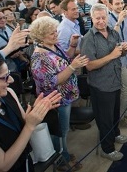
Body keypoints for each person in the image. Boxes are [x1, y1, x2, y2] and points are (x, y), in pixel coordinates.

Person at [30, 16, 89, 170]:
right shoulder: (40, 57)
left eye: (55, 31)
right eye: (51, 33)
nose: (55, 35)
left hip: (65, 97)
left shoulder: (53, 46)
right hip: (56, 101)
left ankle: (65, 154)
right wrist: (72, 67)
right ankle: (61, 160)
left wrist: (72, 45)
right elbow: (51, 82)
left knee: (63, 129)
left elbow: (66, 57)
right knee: (59, 131)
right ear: (40, 36)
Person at [0, 50, 61, 172]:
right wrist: (29, 125)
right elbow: (1, 166)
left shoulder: (8, 94)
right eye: (4, 77)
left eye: (9, 74)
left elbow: (24, 123)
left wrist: (36, 112)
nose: (11, 80)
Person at [80, 3, 127, 161]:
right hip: (101, 85)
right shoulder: (88, 39)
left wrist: (125, 49)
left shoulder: (113, 33)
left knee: (114, 113)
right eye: (97, 18)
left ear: (108, 17)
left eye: (103, 17)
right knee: (105, 119)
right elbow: (89, 65)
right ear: (92, 18)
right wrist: (112, 55)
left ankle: (115, 134)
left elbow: (119, 53)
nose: (101, 21)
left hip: (115, 81)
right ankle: (107, 149)